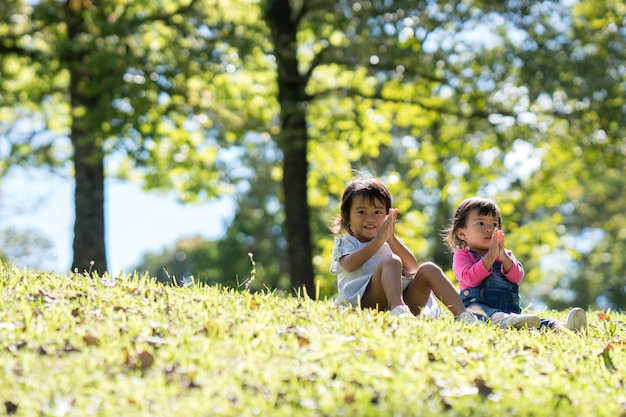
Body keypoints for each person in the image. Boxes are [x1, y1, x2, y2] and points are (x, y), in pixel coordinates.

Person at [330, 175, 477, 323]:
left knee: (429, 268)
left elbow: (413, 268)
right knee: (392, 260)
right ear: (347, 216)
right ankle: (397, 308)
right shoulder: (347, 242)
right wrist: (379, 240)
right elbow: (349, 265)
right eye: (362, 212)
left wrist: (391, 239)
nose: (370, 218)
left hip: (406, 301)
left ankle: (463, 315)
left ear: (388, 216)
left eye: (377, 212)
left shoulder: (390, 242)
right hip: (363, 303)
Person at [444, 196, 587, 331]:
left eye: (494, 224)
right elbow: (471, 278)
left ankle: (562, 327)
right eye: (480, 223)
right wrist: (490, 257)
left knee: (537, 321)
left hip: (509, 309)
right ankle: (503, 320)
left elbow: (517, 277)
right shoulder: (462, 255)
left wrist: (504, 258)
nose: (489, 228)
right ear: (462, 233)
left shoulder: (505, 254)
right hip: (478, 308)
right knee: (488, 313)